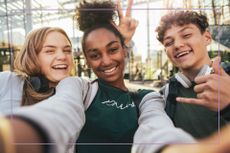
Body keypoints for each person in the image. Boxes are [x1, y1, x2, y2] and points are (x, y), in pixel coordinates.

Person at [0, 1, 196, 153]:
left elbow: (157, 127)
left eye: (113, 49)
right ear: (86, 59)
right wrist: (11, 136)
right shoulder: (77, 86)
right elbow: (61, 112)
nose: (105, 61)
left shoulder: (148, 97)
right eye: (94, 54)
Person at [156, 10, 230, 139]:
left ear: (207, 38)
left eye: (186, 35)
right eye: (169, 42)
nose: (178, 45)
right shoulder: (164, 96)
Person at [0, 27, 74, 113]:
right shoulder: (8, 81)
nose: (62, 57)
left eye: (67, 50)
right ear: (32, 56)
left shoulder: (81, 93)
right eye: (50, 51)